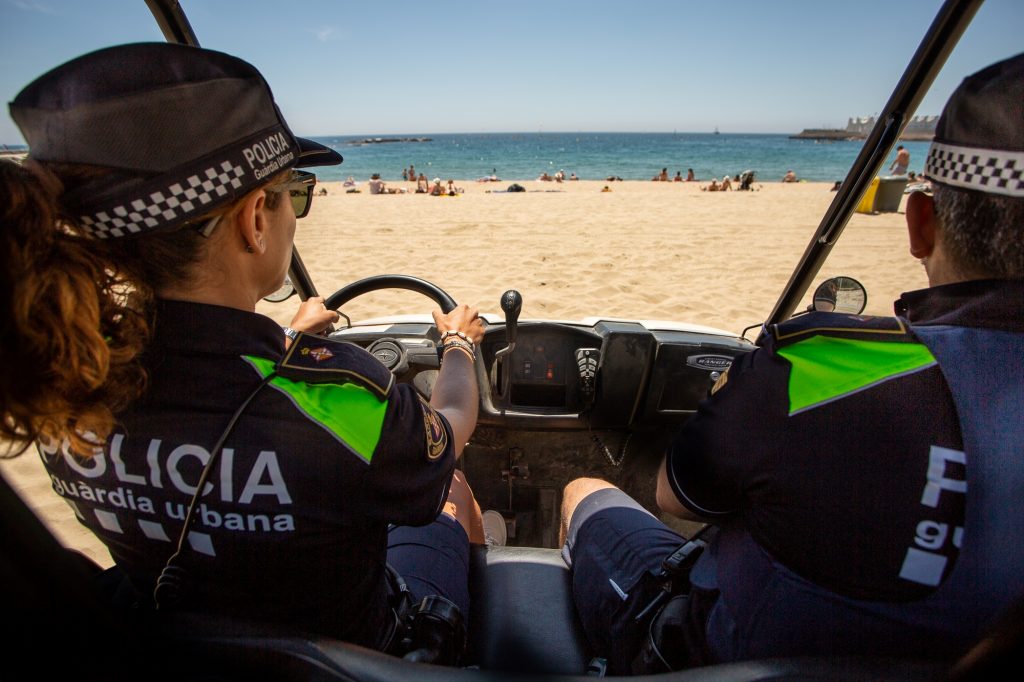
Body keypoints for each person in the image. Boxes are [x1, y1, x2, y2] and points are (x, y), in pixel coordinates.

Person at [2, 42, 490, 656]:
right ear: (255, 218)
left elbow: (205, 392)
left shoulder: (59, 384)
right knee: (454, 496)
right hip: (361, 658)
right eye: (297, 195)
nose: (295, 216)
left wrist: (290, 338)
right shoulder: (344, 397)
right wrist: (457, 345)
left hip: (178, 643)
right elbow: (451, 426)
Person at [559, 52, 1024, 675]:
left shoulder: (823, 368)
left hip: (705, 657)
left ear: (920, 223)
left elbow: (676, 495)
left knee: (584, 491)